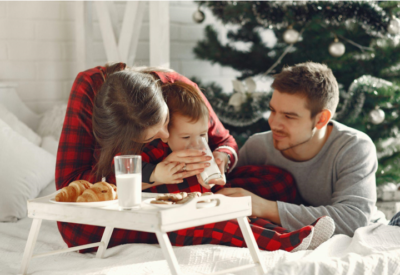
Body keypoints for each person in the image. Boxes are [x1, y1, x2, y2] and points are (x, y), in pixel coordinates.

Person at [55, 63, 236, 252]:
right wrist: (153, 175)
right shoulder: (88, 89)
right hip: (125, 204)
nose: (165, 135)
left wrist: (220, 158)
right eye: (151, 138)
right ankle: (182, 226)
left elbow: (225, 141)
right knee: (78, 230)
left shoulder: (180, 91)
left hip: (177, 200)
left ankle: (186, 225)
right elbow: (69, 187)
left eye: (166, 120)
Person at [141, 80, 334, 252]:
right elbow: (126, 176)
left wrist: (219, 165)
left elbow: (226, 144)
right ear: (164, 131)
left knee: (243, 216)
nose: (197, 144)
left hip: (208, 204)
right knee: (223, 226)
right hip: (177, 221)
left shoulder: (199, 141)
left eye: (202, 135)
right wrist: (159, 172)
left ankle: (293, 234)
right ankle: (283, 243)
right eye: (185, 137)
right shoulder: (156, 149)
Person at [218, 62, 378, 237]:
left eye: (289, 116)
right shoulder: (258, 146)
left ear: (321, 119)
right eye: (272, 110)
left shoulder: (354, 147)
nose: (274, 123)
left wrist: (263, 207)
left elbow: (353, 221)